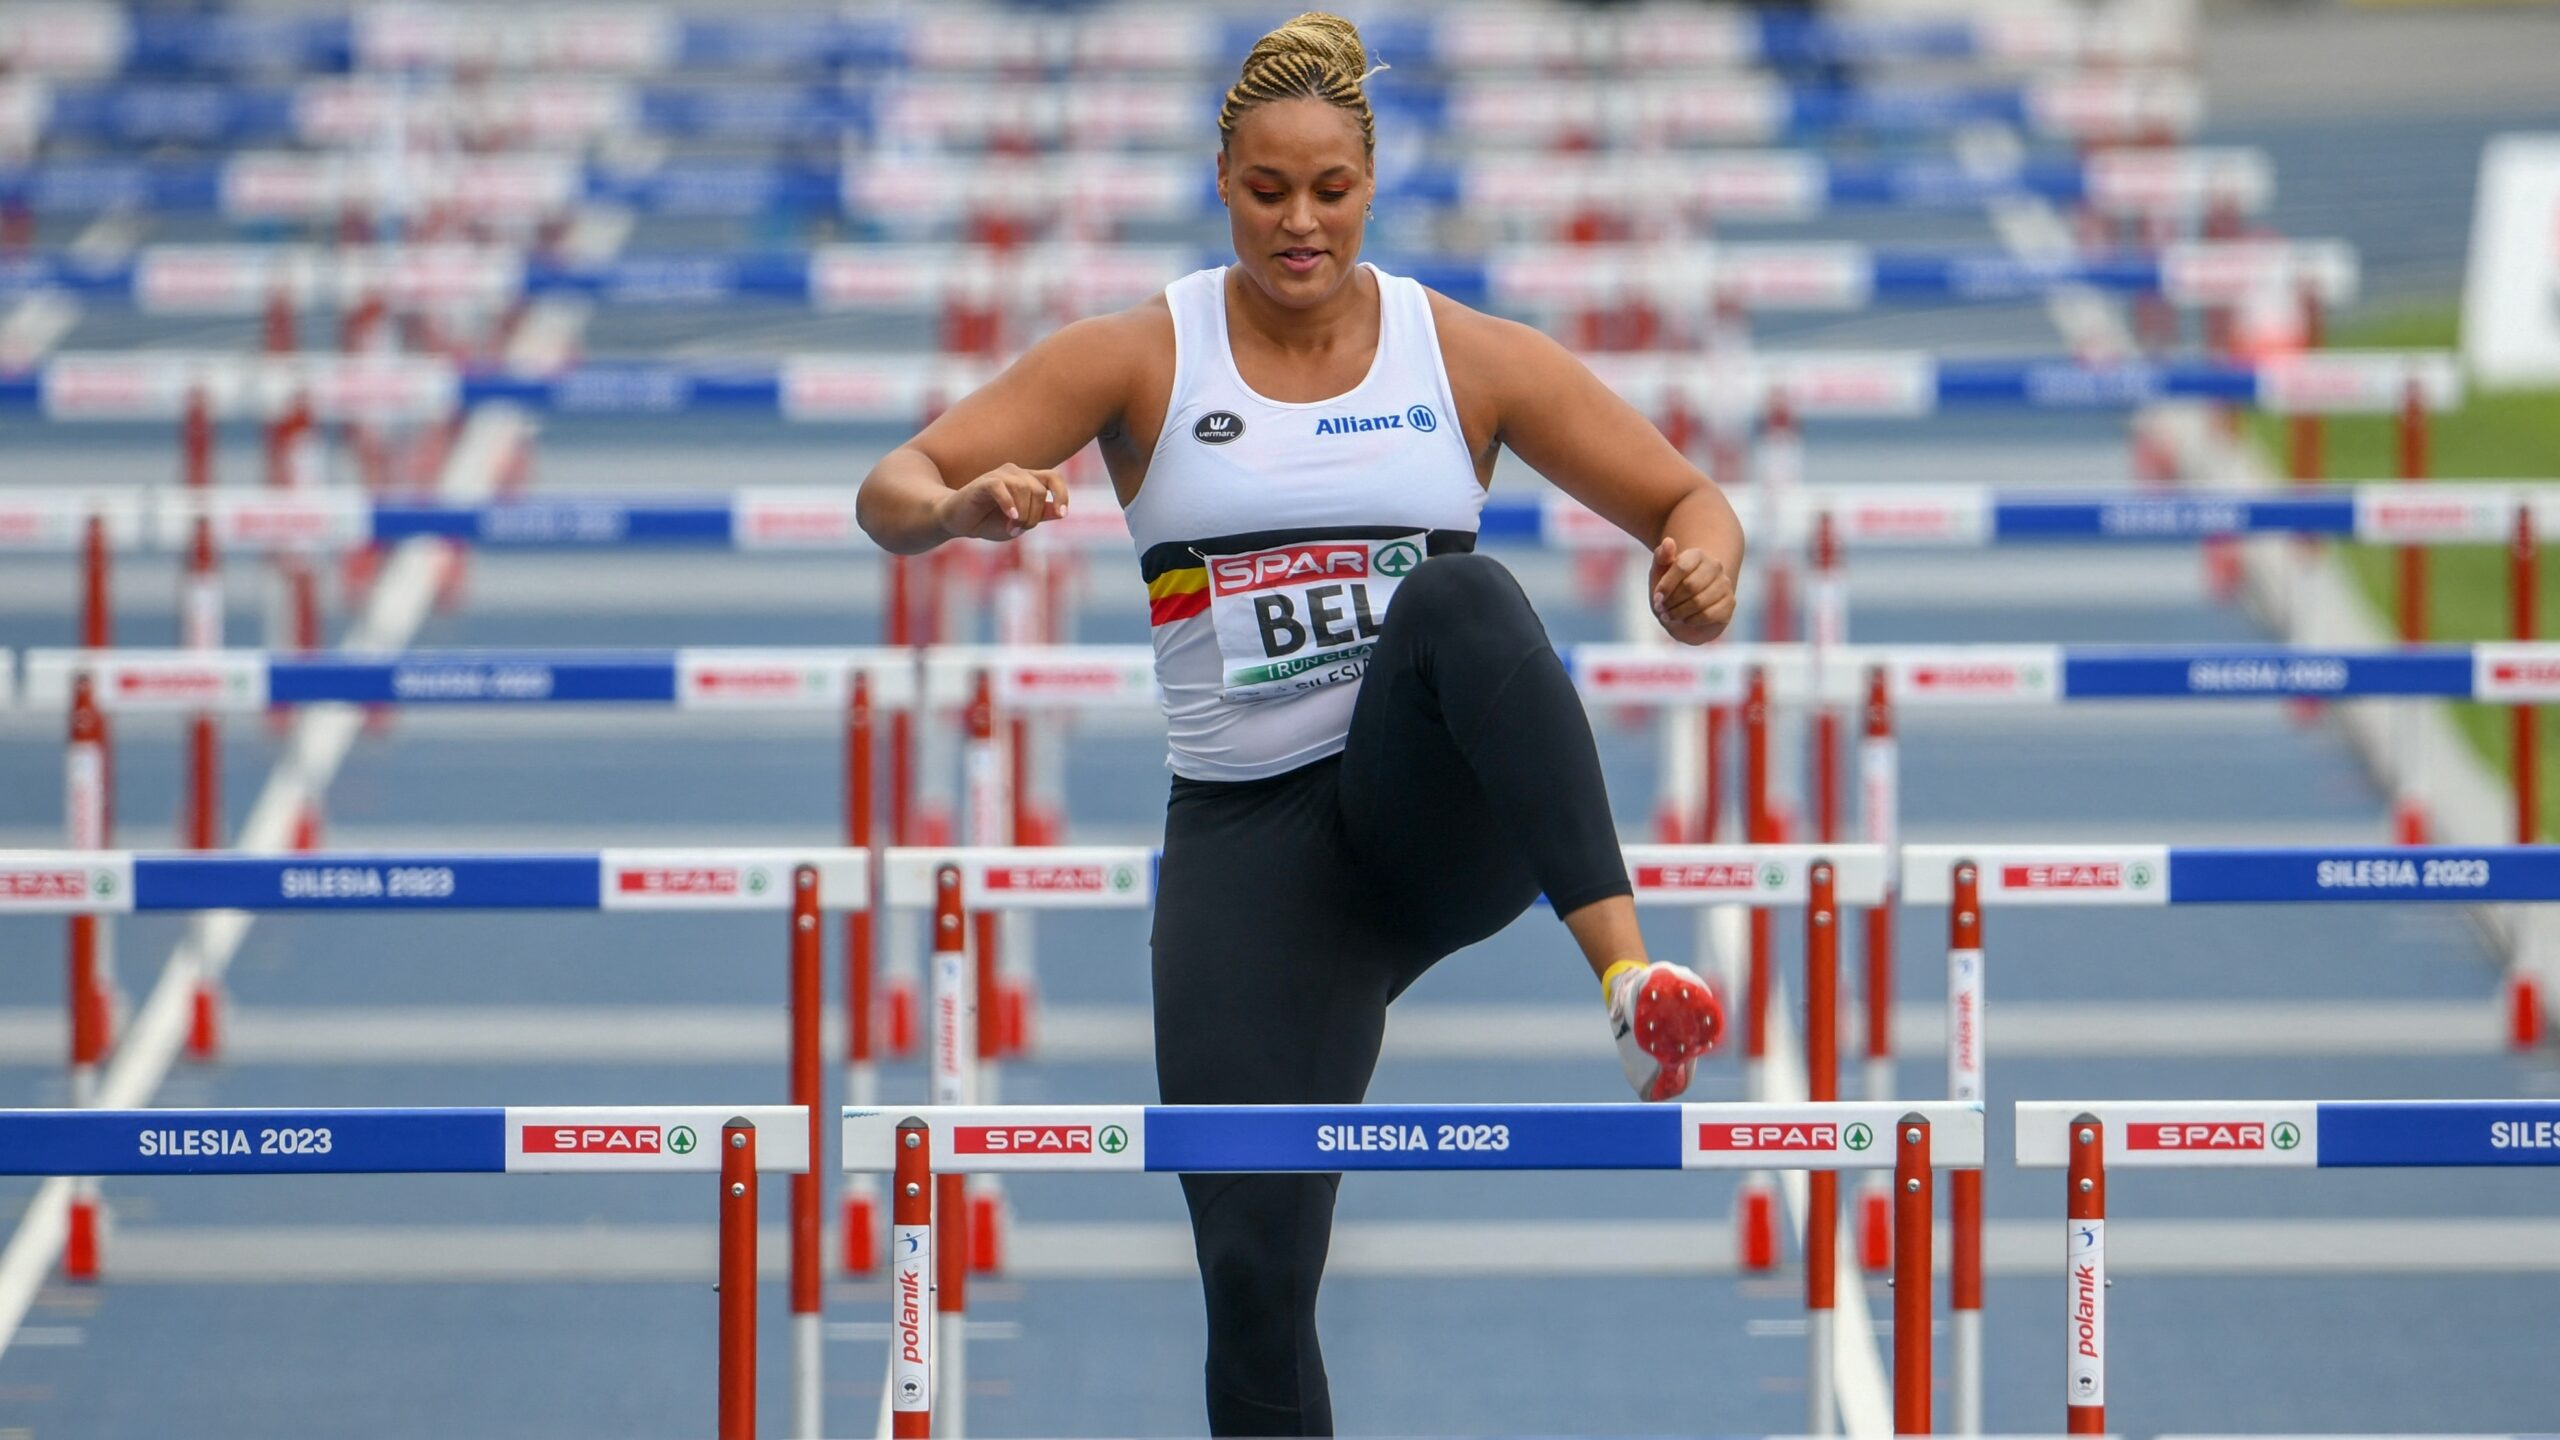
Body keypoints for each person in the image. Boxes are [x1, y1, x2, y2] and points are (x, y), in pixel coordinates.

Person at [856, 12, 1744, 1433]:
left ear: (1371, 181)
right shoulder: (1143, 357)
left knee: (1461, 606)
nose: (1299, 222)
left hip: (1423, 814)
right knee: (1255, 1280)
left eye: (1329, 189)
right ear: (1223, 180)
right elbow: (888, 486)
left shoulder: (1463, 358)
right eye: (1268, 190)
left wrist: (1704, 575)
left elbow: (1691, 504)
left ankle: (1632, 985)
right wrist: (959, 505)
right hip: (1249, 845)